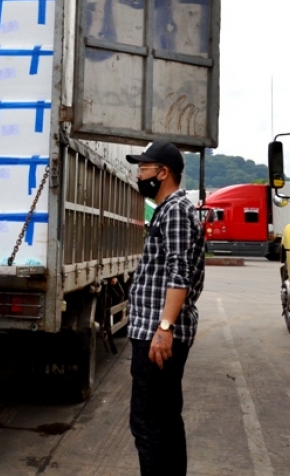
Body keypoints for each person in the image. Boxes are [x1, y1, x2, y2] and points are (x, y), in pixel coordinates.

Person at [125, 140, 206, 476]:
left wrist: (165, 328)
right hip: (153, 330)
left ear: (163, 172)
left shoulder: (174, 211)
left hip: (156, 334)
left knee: (149, 424)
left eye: (144, 168)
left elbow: (179, 271)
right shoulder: (170, 210)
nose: (139, 174)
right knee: (164, 421)